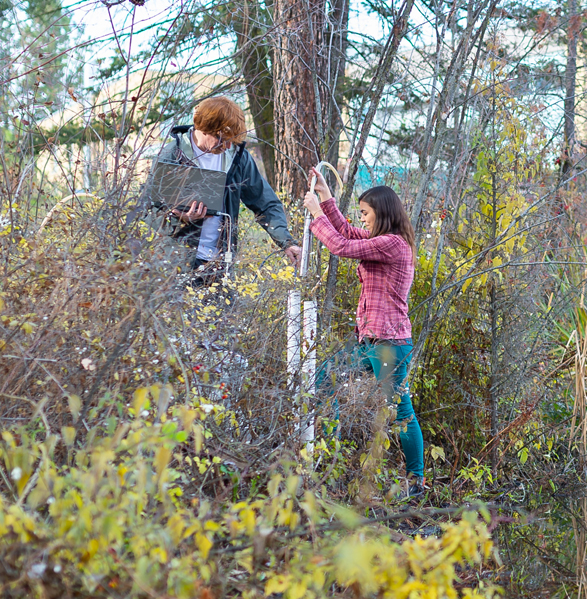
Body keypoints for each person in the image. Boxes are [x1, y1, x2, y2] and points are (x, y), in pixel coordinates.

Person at [303, 171, 424, 499]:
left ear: (382, 214)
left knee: (401, 411)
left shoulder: (393, 244)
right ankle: (331, 452)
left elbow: (341, 246)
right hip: (370, 342)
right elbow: (344, 231)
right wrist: (326, 198)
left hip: (389, 346)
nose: (363, 220)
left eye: (366, 214)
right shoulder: (380, 242)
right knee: (323, 377)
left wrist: (316, 214)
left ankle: (415, 483)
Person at [154, 96, 301, 278]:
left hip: (221, 267)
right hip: (177, 267)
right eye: (222, 139)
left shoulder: (237, 158)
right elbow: (146, 213)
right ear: (204, 128)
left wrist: (286, 242)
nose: (229, 146)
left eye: (233, 140)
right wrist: (182, 218)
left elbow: (266, 203)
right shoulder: (172, 156)